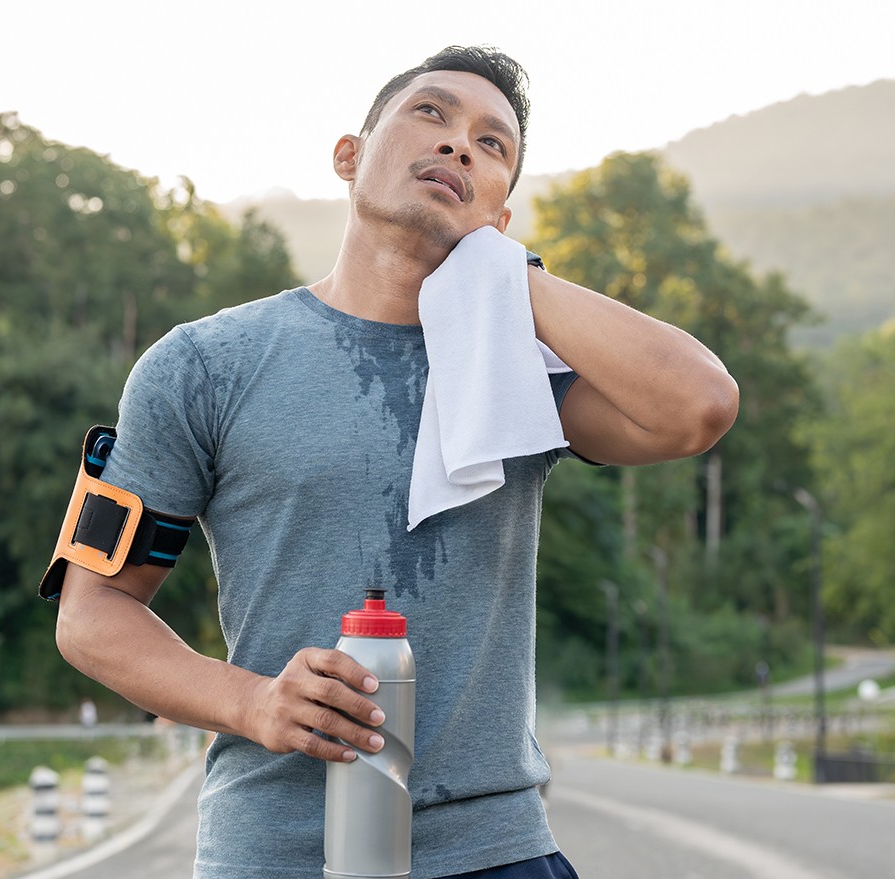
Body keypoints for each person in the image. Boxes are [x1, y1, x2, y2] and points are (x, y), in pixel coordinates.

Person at [50, 45, 739, 879]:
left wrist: (504, 274)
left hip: (495, 851)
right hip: (273, 853)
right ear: (350, 155)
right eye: (432, 114)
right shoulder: (203, 365)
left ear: (502, 213)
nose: (459, 147)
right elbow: (92, 615)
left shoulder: (520, 373)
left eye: (494, 147)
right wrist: (253, 701)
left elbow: (698, 405)